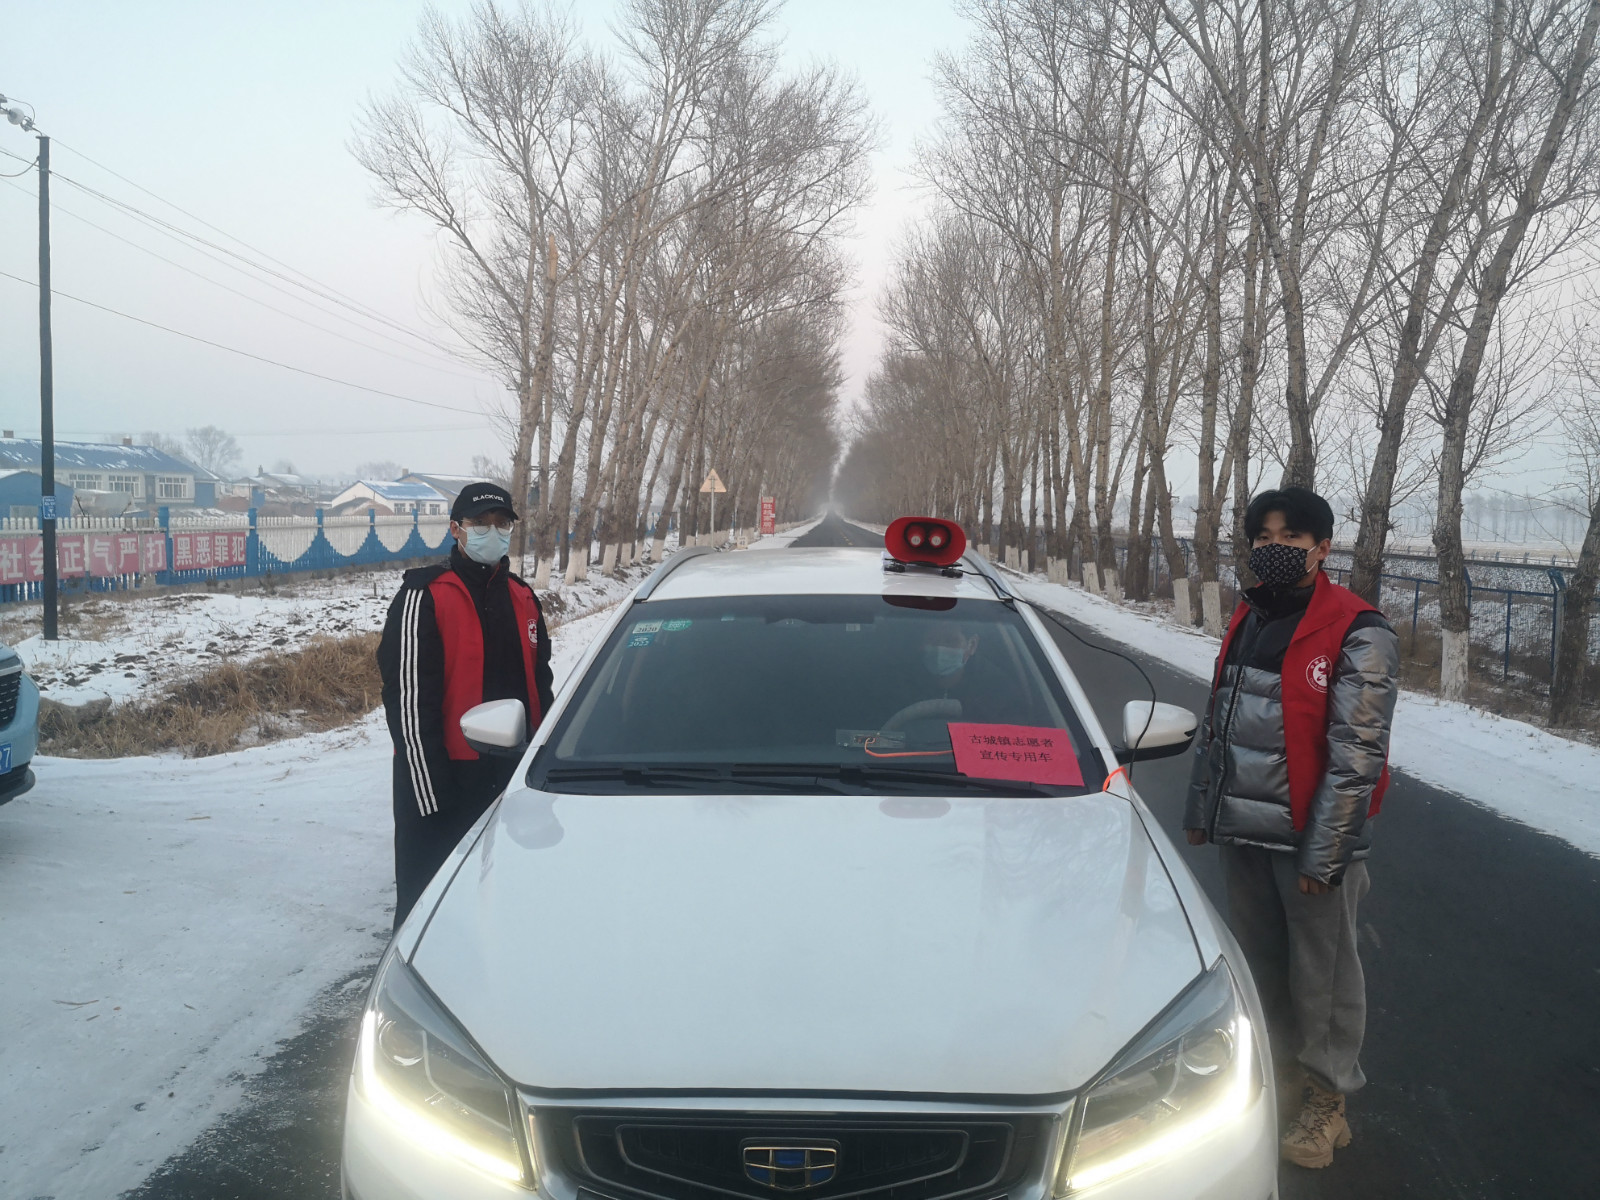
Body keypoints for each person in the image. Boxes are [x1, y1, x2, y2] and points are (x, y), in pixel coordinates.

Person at [1183, 486, 1399, 1170]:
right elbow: (1219, 722)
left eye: (1291, 538)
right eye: (1263, 537)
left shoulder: (1358, 628)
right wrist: (1202, 809)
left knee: (1323, 978)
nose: (1274, 548)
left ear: (1322, 548)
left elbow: (1357, 755)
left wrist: (1325, 854)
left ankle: (1329, 1101)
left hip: (1311, 840)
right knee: (1258, 965)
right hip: (1244, 829)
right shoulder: (1250, 615)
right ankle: (1274, 1078)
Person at [377, 481, 553, 929]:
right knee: (432, 913)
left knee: (505, 904)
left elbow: (542, 687)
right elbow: (408, 704)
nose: (492, 531)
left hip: (514, 780)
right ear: (456, 529)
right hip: (445, 781)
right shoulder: (425, 595)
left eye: (501, 523)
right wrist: (431, 797)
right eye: (480, 523)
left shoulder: (523, 597)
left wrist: (543, 767)